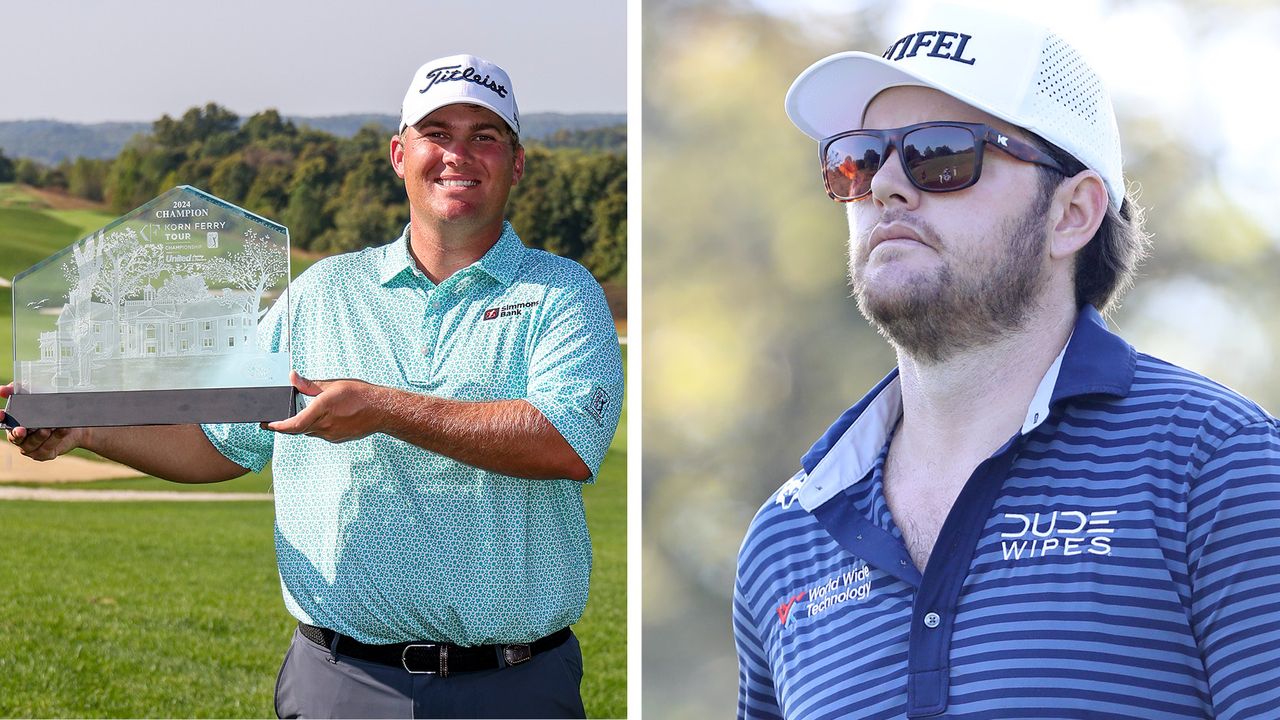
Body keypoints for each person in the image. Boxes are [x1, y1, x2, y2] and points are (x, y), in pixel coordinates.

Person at [3, 54, 622, 719]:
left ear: (517, 163)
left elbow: (563, 440)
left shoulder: (562, 294)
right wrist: (89, 429)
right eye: (436, 132)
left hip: (514, 685)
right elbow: (220, 441)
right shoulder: (322, 294)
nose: (457, 154)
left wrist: (382, 408)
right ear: (399, 153)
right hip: (342, 680)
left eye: (485, 135)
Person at [733, 5, 1280, 719]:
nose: (886, 187)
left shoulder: (1219, 467)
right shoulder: (785, 537)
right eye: (860, 158)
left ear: (1072, 214)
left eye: (941, 153)